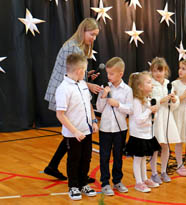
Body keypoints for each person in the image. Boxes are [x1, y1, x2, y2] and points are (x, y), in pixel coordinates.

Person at [44, 18, 102, 181]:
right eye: (92, 34)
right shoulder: (72, 47)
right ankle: (74, 175)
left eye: (96, 36)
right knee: (73, 131)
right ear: (83, 30)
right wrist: (88, 84)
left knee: (72, 132)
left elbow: (76, 73)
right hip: (64, 91)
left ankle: (53, 166)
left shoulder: (77, 46)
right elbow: (70, 75)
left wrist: (86, 76)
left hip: (71, 88)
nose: (93, 39)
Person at [55, 53, 98, 200]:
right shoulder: (63, 89)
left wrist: (93, 121)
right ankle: (73, 186)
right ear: (79, 70)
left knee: (86, 158)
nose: (85, 73)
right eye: (84, 70)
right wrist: (75, 131)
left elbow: (89, 105)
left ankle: (83, 183)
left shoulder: (83, 84)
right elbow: (60, 114)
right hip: (73, 134)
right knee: (74, 159)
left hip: (87, 131)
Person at [96, 57, 133, 196]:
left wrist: (117, 104)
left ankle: (117, 181)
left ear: (120, 74)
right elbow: (99, 109)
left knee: (118, 156)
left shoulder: (127, 90)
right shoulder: (104, 88)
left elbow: (130, 109)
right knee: (104, 156)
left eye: (111, 74)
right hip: (105, 129)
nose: (108, 76)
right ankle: (105, 183)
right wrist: (103, 96)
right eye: (107, 73)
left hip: (120, 129)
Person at [125, 72, 161, 193]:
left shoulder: (147, 99)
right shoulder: (136, 101)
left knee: (144, 158)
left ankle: (145, 179)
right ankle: (138, 182)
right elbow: (139, 119)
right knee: (138, 159)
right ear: (140, 86)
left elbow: (151, 120)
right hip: (138, 135)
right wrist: (149, 111)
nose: (152, 85)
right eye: (149, 82)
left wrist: (154, 113)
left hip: (147, 134)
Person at [149, 57, 181, 184]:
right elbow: (150, 101)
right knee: (155, 146)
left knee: (166, 145)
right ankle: (153, 173)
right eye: (155, 71)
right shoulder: (150, 84)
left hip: (167, 117)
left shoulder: (169, 84)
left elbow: (174, 106)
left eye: (160, 71)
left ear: (165, 71)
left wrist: (174, 100)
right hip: (157, 118)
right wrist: (162, 100)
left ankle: (163, 171)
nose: (158, 73)